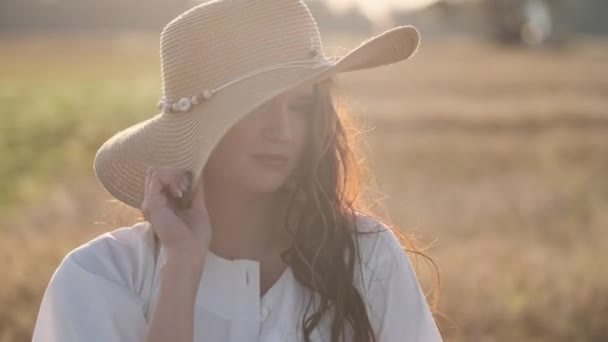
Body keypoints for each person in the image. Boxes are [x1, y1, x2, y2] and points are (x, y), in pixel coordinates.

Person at [32, 0, 442, 341]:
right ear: (198, 127)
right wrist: (181, 271)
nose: (281, 130)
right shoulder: (100, 279)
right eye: (255, 107)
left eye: (299, 107)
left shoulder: (367, 258)